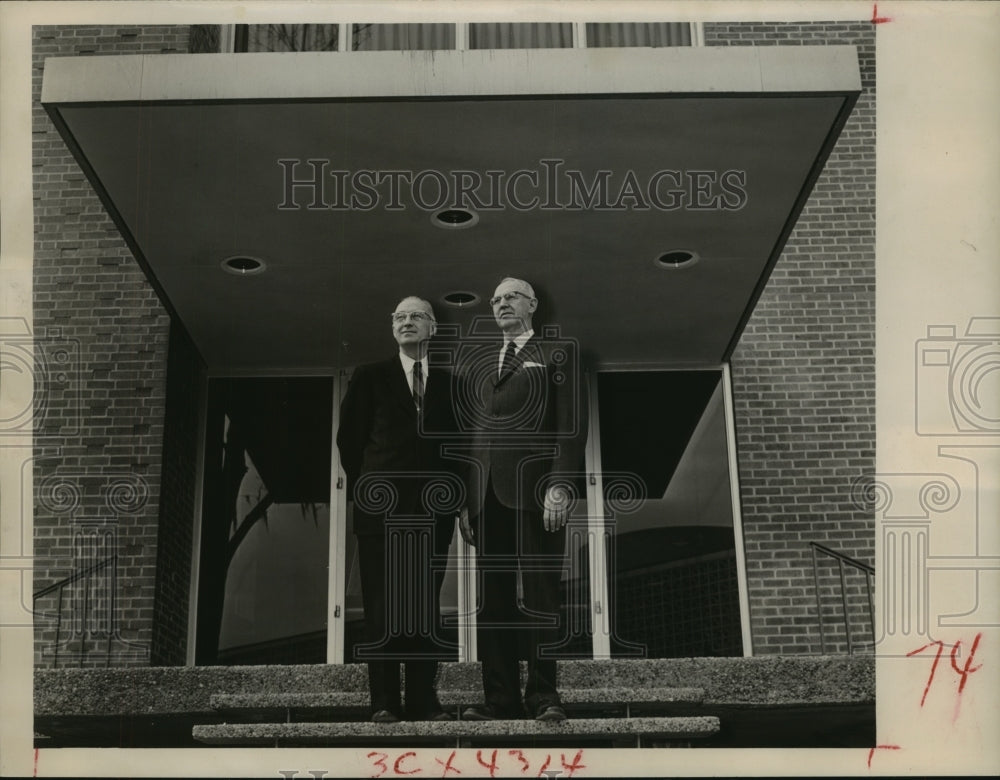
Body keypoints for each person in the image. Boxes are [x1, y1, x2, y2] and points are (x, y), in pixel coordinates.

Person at [457, 277, 588, 722]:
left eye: (510, 296)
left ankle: (544, 696)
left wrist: (561, 484)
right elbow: (472, 436)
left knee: (540, 597)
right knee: (493, 601)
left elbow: (571, 425)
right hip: (486, 497)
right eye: (494, 299)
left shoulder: (558, 352)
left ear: (533, 304)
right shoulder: (478, 365)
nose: (501, 304)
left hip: (535, 493)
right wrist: (466, 500)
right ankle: (500, 700)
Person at [336, 296, 460, 723]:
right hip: (380, 515)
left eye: (417, 317)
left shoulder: (450, 384)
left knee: (423, 607)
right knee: (383, 607)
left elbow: (456, 452)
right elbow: (349, 445)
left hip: (432, 516)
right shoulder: (370, 377)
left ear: (433, 328)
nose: (407, 322)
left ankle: (424, 700)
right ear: (393, 328)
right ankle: (385, 701)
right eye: (400, 317)